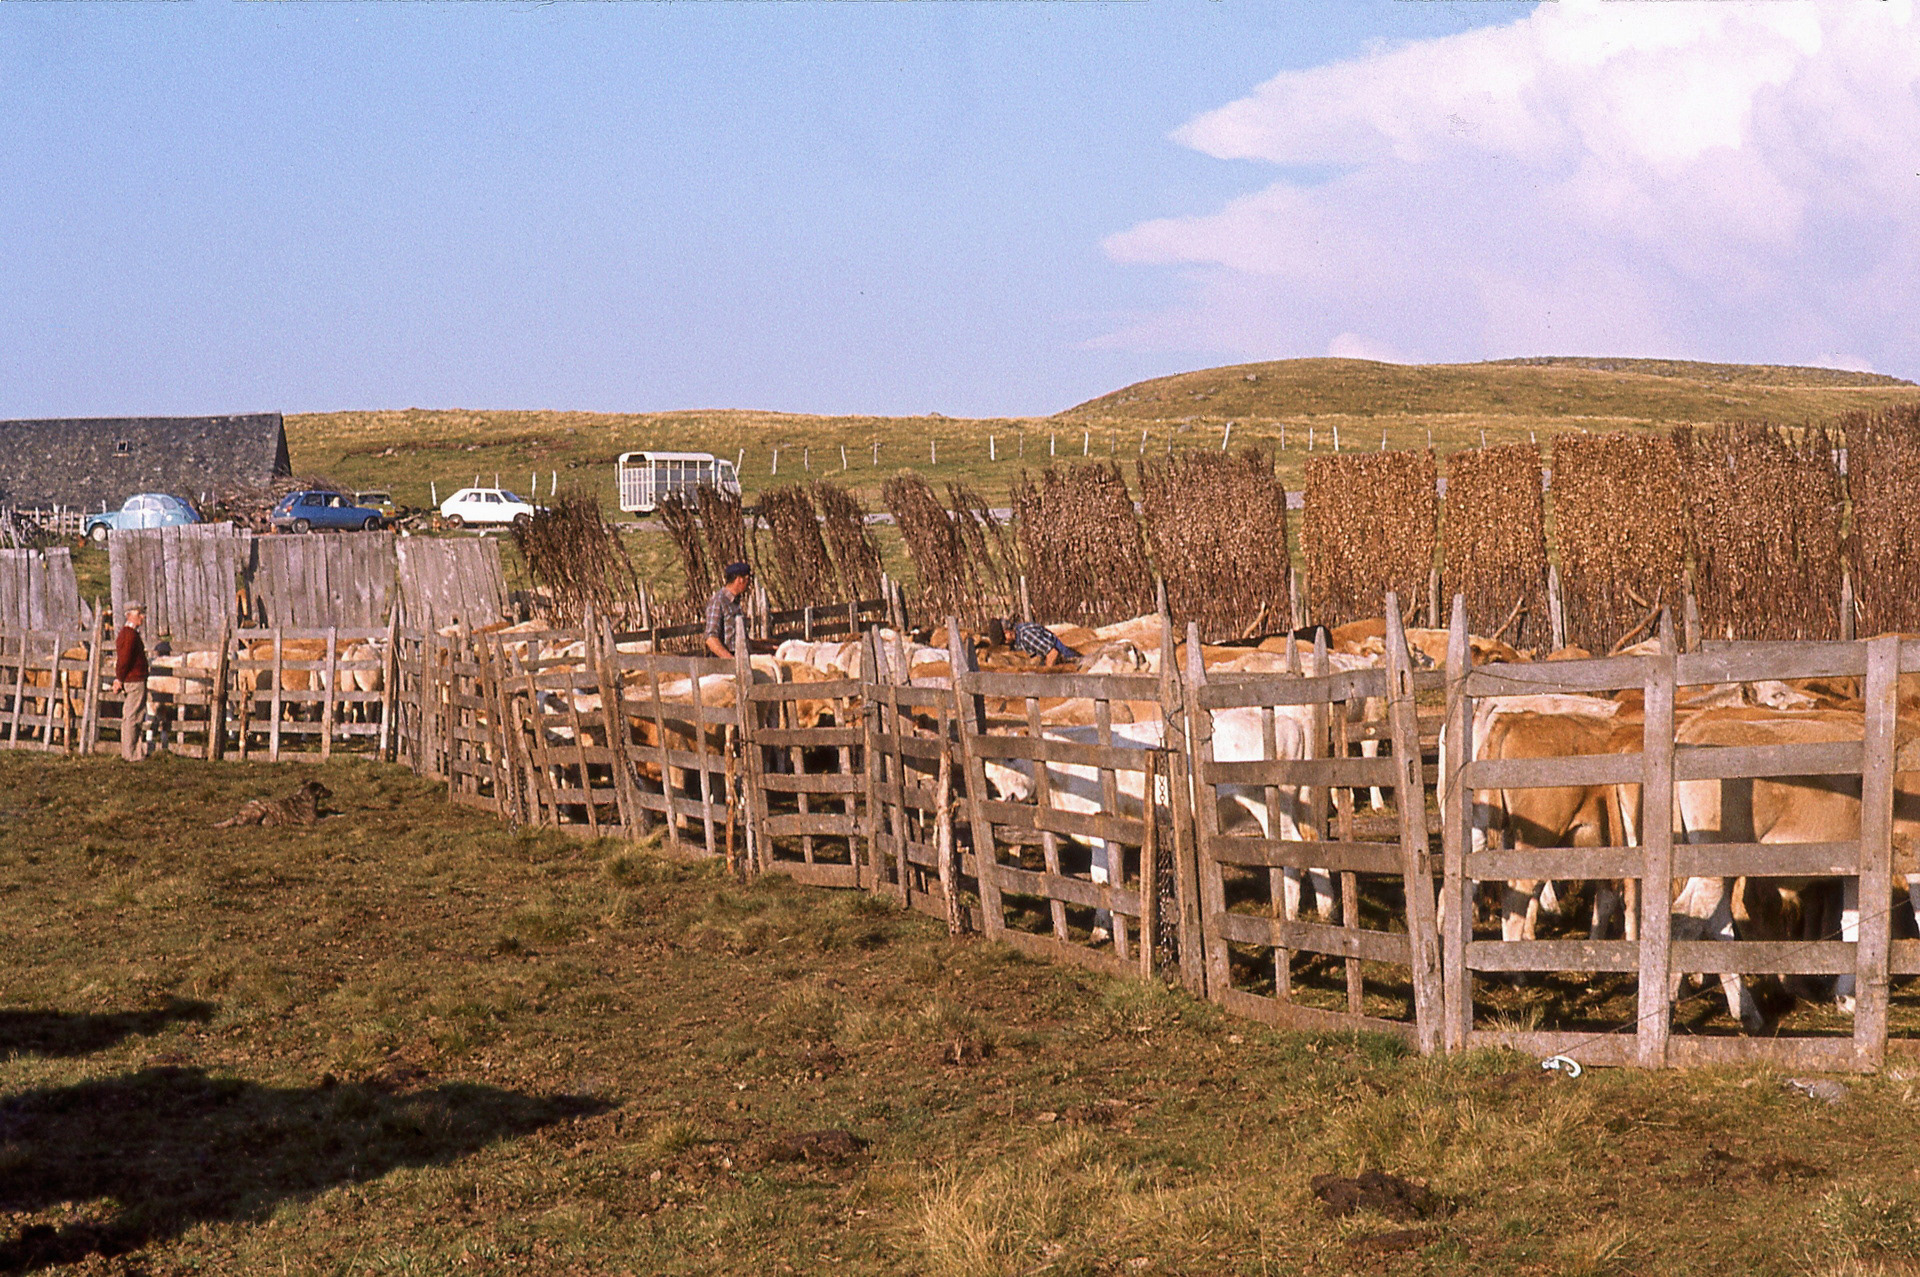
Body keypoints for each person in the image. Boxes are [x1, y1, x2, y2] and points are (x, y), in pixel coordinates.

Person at [112, 602, 150, 761]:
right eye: (138, 614)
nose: (142, 617)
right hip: (134, 681)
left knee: (134, 716)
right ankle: (131, 754)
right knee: (132, 717)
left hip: (133, 679)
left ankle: (135, 752)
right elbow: (124, 660)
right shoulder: (129, 635)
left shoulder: (129, 634)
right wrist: (119, 678)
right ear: (129, 615)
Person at [705, 562, 753, 660]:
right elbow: (711, 638)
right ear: (740, 580)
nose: (748, 584)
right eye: (747, 580)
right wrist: (731, 661)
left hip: (739, 656)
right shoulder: (718, 602)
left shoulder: (734, 602)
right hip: (722, 662)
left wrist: (769, 646)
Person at [1006, 616, 1079, 667]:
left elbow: (1053, 653)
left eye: (1004, 639)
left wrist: (1046, 676)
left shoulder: (1027, 637)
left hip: (1064, 657)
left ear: (1008, 632)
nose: (1005, 642)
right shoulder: (1019, 629)